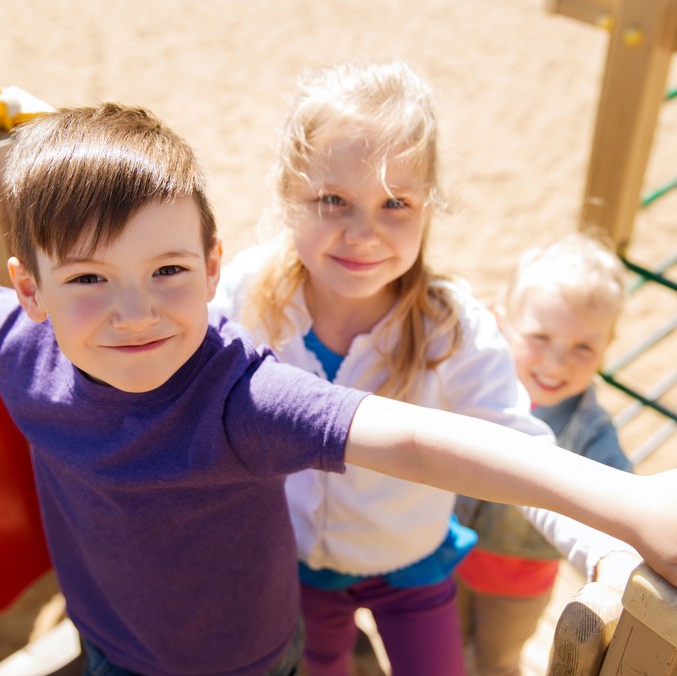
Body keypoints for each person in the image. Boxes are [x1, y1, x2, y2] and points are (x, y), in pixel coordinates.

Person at [0, 104, 677, 676]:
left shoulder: (238, 398)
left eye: (167, 273)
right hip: (112, 648)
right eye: (89, 281)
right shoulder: (16, 346)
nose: (135, 311)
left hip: (250, 658)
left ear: (215, 259)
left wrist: (627, 503)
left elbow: (420, 441)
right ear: (29, 291)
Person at [211, 61, 645, 676]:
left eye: (395, 203)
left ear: (427, 209)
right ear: (288, 195)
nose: (363, 234)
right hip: (295, 562)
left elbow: (520, 449)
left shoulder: (451, 330)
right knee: (320, 663)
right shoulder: (246, 297)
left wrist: (603, 545)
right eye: (333, 199)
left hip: (411, 563)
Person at [454, 232, 635, 675]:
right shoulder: (476, 388)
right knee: (449, 648)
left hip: (519, 585)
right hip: (449, 556)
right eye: (540, 337)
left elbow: (623, 494)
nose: (557, 363)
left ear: (606, 347)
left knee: (497, 659)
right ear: (503, 324)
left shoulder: (591, 430)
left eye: (583, 347)